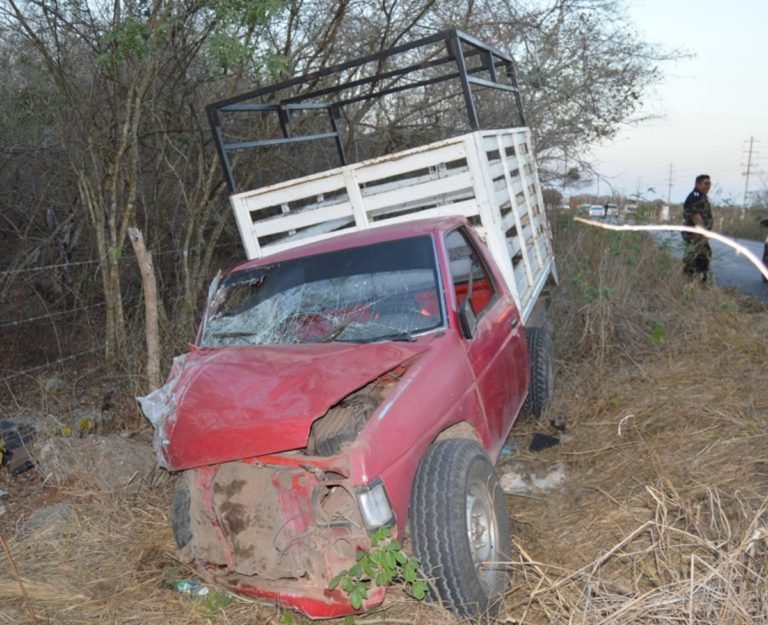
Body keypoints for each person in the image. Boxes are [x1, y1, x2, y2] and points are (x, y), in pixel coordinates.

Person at [681, 174, 713, 280]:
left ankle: (694, 280)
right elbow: (696, 216)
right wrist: (704, 234)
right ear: (697, 184)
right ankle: (692, 280)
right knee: (698, 257)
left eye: (709, 184)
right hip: (694, 234)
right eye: (705, 183)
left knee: (700, 257)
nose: (708, 186)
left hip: (698, 234)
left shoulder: (701, 196)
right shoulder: (695, 197)